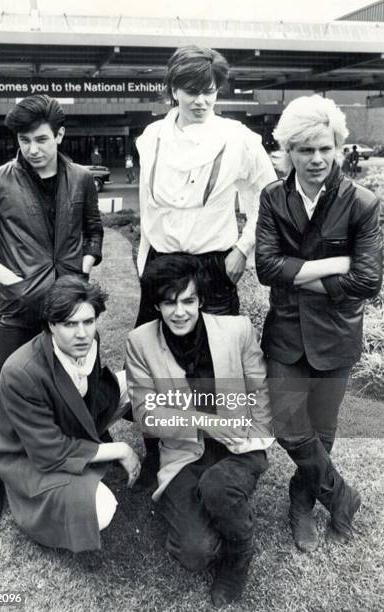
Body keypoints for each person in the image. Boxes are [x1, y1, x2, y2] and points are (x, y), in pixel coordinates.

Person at [134, 44, 276, 487]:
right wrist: (146, 262)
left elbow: (268, 199)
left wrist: (243, 248)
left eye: (209, 91)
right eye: (190, 90)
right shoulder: (151, 137)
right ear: (173, 90)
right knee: (158, 360)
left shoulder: (239, 139)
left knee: (219, 366)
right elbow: (148, 208)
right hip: (161, 266)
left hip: (214, 266)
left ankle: (224, 455)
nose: (200, 100)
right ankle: (161, 455)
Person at [0, 94, 104, 532]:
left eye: (41, 139)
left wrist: (84, 266)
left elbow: (94, 231)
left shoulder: (81, 178)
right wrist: (11, 279)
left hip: (69, 307)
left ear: (60, 135)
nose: (32, 148)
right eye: (24, 140)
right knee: (8, 395)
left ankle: (67, 461)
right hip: (20, 311)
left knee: (74, 387)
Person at [255, 95, 382, 553]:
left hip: (336, 336)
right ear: (288, 150)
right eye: (305, 149)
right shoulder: (273, 198)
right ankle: (342, 496)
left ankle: (302, 502)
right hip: (286, 334)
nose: (317, 159)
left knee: (323, 432)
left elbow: (367, 280)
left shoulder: (362, 203)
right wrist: (333, 266)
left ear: (339, 148)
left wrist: (300, 275)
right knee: (289, 426)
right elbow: (266, 268)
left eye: (325, 148)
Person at [126, 254, 273, 607]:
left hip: (238, 447)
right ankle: (218, 511)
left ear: (201, 300)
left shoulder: (237, 330)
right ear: (157, 303)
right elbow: (146, 414)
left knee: (218, 486)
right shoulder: (139, 341)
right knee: (194, 554)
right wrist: (204, 420)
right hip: (183, 453)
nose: (180, 312)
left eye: (188, 300)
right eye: (169, 302)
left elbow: (259, 389)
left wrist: (255, 438)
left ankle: (240, 553)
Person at [0, 276, 140, 552]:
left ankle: (165, 464)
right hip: (32, 456)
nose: (82, 333)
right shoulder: (21, 372)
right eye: (70, 324)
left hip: (72, 425)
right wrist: (119, 449)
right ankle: (35, 507)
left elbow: (87, 396)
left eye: (88, 321)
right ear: (50, 325)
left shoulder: (89, 341)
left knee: (141, 383)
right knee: (101, 509)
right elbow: (49, 452)